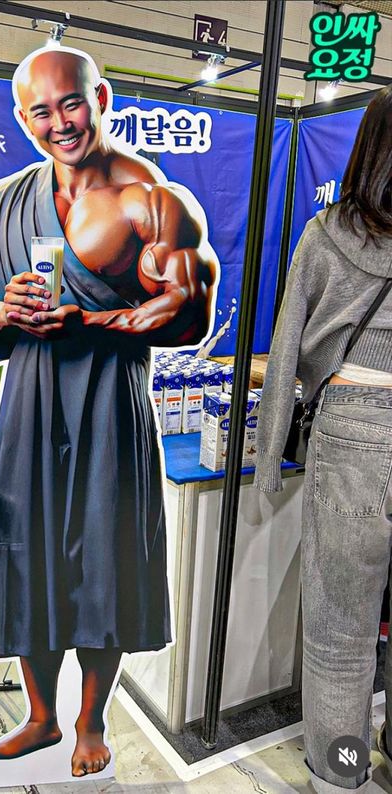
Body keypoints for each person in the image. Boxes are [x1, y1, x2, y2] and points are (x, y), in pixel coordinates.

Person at [0, 47, 218, 777]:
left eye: (71, 103)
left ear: (102, 97)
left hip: (108, 394)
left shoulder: (150, 199)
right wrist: (1, 310)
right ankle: (40, 719)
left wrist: (90, 322)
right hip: (30, 396)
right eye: (41, 110)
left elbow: (189, 310)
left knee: (106, 552)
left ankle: (91, 722)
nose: (59, 122)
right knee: (25, 547)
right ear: (21, 118)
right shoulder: (2, 205)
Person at [255, 85, 392, 794]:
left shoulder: (328, 233)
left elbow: (285, 349)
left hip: (355, 435)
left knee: (341, 634)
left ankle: (342, 777)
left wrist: (269, 453)